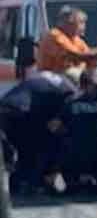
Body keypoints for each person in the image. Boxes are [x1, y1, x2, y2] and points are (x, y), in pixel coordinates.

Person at [0, 64, 80, 196]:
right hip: (22, 112)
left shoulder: (50, 77)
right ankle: (34, 185)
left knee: (22, 149)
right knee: (36, 147)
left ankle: (17, 186)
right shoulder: (69, 89)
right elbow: (54, 125)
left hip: (5, 108)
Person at [36, 6, 97, 79]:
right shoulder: (55, 36)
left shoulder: (77, 40)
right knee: (86, 77)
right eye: (81, 23)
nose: (84, 27)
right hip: (51, 78)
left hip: (67, 78)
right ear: (68, 22)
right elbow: (79, 56)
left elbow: (90, 60)